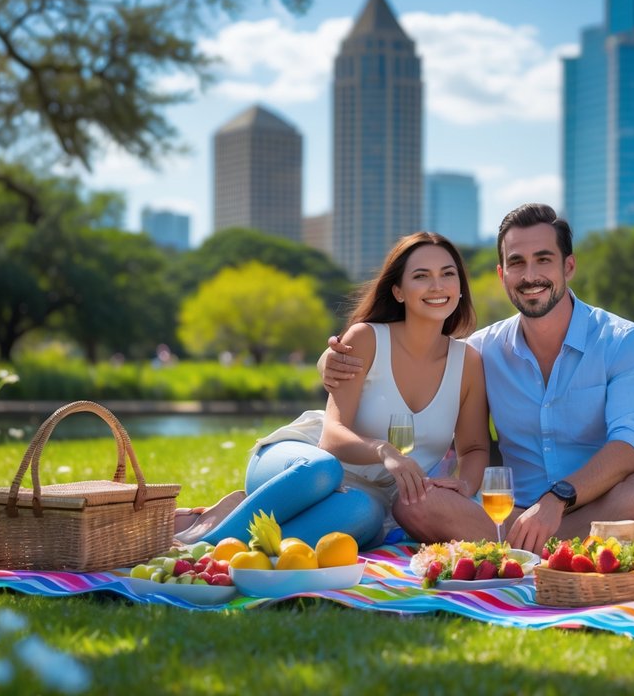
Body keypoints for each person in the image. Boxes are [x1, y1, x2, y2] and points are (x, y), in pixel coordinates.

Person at [323, 204, 634, 555]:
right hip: (510, 515)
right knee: (414, 503)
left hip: (600, 505)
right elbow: (424, 363)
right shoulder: (482, 351)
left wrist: (558, 500)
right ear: (501, 273)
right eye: (517, 263)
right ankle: (562, 548)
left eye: (543, 259)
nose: (530, 276)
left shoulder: (623, 340)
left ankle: (531, 549)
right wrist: (332, 360)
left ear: (568, 266)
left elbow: (629, 446)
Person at [177, 232, 489, 551]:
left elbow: (475, 446)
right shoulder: (365, 338)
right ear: (398, 291)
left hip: (367, 496)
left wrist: (466, 483)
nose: (437, 286)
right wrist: (384, 451)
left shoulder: (468, 363)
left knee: (364, 518)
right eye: (421, 276)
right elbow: (332, 437)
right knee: (323, 470)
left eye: (447, 274)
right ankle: (200, 549)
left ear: (461, 287)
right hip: (300, 466)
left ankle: (237, 531)